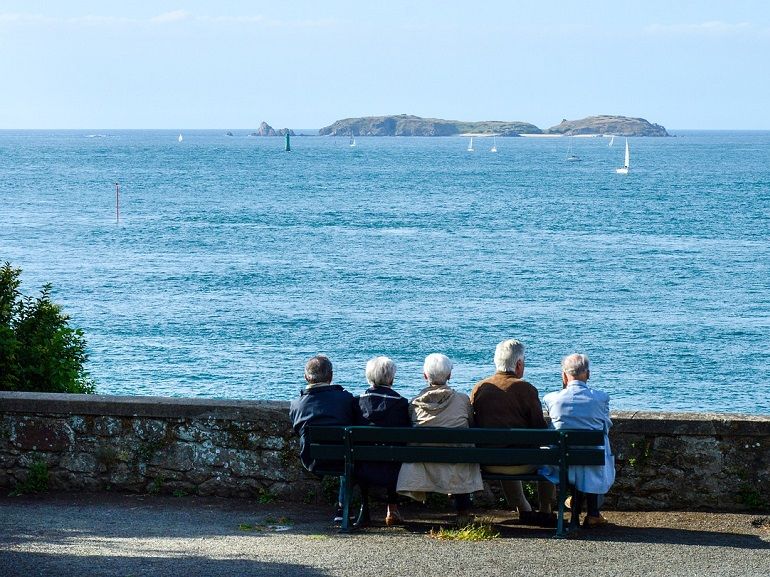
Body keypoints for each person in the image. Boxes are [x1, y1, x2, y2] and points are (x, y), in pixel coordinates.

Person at [470, 339, 556, 525]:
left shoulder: (479, 388)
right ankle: (545, 510)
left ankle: (524, 509)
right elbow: (540, 430)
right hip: (521, 463)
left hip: (489, 461)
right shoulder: (526, 389)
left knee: (503, 449)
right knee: (548, 455)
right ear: (518, 364)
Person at [397, 353, 483, 525]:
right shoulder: (462, 400)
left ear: (425, 376)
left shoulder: (414, 404)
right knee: (461, 454)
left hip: (423, 465)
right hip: (458, 463)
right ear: (450, 375)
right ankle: (463, 512)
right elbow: (471, 426)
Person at [542, 353, 615, 528]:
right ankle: (593, 513)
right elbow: (606, 427)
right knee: (596, 450)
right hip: (592, 460)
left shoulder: (551, 399)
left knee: (575, 459)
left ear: (564, 375)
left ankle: (578, 508)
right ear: (587, 374)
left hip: (561, 462)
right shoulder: (601, 398)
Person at [289, 354, 357, 523]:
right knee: (347, 453)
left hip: (312, 459)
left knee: (345, 453)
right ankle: (343, 507)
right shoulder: (346, 399)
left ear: (306, 377)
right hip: (344, 459)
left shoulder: (297, 404)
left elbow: (297, 430)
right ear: (331, 376)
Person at [354, 356, 411, 527]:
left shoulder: (356, 403)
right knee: (395, 453)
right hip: (393, 469)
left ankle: (364, 508)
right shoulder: (401, 404)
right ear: (391, 379)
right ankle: (392, 507)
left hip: (361, 467)